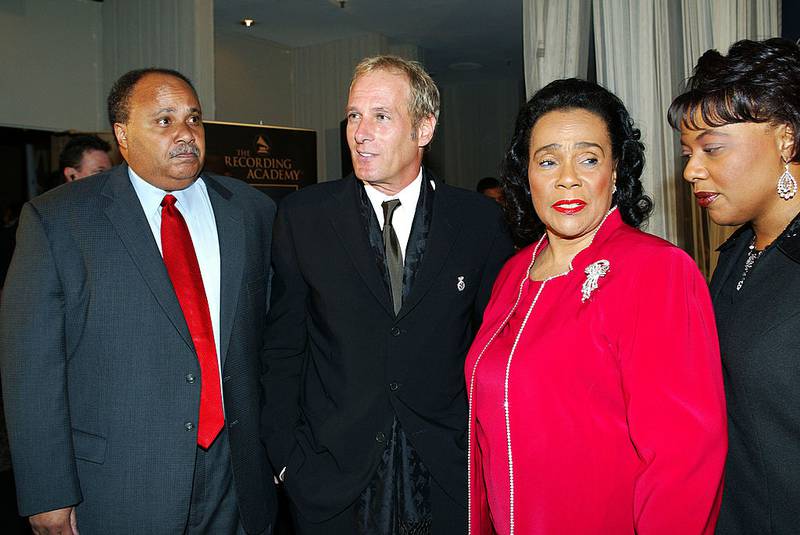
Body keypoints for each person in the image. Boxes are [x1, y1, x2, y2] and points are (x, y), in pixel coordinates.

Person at [0, 68, 277, 534]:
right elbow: (30, 369)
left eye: (193, 119)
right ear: (122, 135)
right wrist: (47, 492)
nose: (186, 134)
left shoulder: (251, 211)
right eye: (164, 121)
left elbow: (271, 340)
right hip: (119, 485)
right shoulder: (58, 221)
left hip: (237, 480)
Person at [262, 55, 514, 535]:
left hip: (445, 477)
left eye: (380, 116)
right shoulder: (304, 217)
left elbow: (494, 353)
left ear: (424, 129)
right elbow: (282, 349)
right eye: (354, 116)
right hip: (331, 482)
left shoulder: (479, 223)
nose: (360, 132)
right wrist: (286, 463)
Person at [465, 78, 728, 534]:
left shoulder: (657, 271)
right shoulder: (512, 274)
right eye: (547, 161)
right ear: (526, 176)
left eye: (588, 158)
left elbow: (683, 461)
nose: (567, 177)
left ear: (616, 170)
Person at [669, 38, 800, 535]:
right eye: (687, 152)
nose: (690, 170)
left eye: (711, 148)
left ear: (785, 139)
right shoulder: (735, 255)